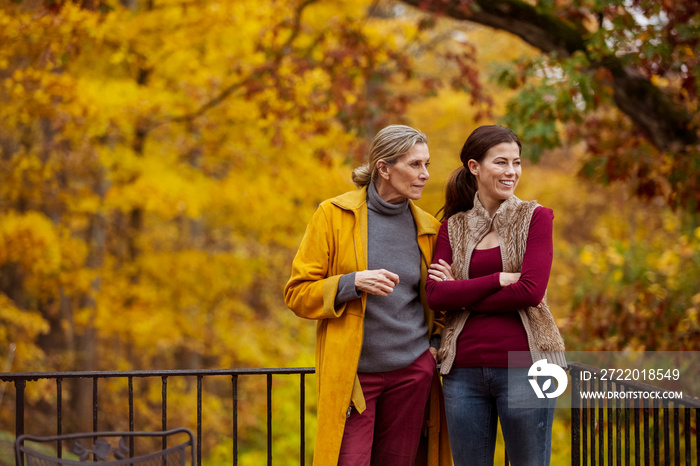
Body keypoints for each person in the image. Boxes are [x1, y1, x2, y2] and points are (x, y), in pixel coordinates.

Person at [284, 125, 451, 466]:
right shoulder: (333, 215)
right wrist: (351, 282)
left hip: (412, 373)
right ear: (384, 168)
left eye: (427, 164)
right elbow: (297, 293)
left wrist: (432, 349)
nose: (425, 175)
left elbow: (439, 304)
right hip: (354, 376)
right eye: (415, 165)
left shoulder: (428, 229)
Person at [426, 125, 565, 466]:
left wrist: (461, 293)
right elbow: (434, 295)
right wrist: (499, 279)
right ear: (474, 167)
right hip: (462, 370)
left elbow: (530, 292)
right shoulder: (452, 227)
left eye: (516, 163)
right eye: (501, 163)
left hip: (528, 367)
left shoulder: (535, 218)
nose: (511, 172)